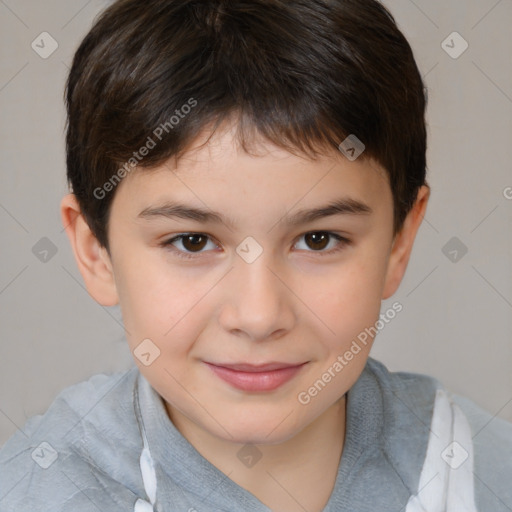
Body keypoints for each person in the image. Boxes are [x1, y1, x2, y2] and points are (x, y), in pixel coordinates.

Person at [1, 0, 511, 510]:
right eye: (192, 241)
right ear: (97, 253)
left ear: (400, 241)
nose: (260, 316)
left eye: (318, 239)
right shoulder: (35, 491)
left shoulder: (481, 472)